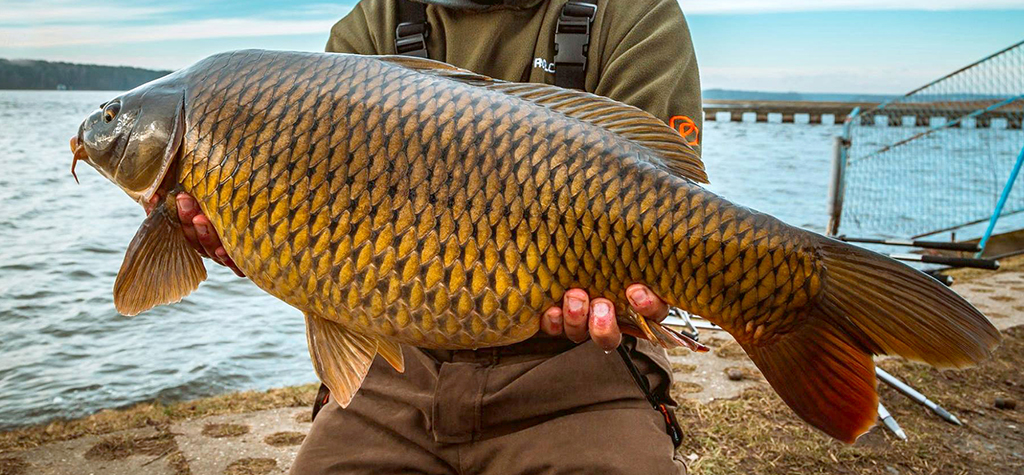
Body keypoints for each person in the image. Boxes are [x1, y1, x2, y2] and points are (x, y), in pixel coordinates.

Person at [176, 0, 702, 472]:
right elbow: (319, 231)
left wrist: (646, 298)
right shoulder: (374, 24)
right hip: (399, 374)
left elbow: (669, 199)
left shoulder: (631, 14)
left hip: (582, 376)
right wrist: (259, 243)